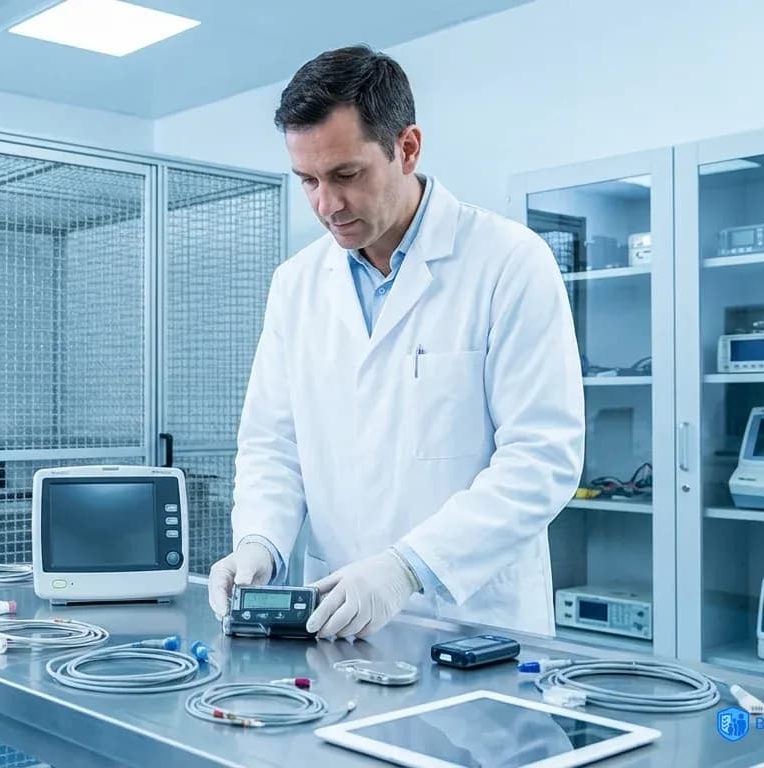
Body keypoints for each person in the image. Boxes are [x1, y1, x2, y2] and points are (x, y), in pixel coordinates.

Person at [207, 45, 585, 639]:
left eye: (346, 175)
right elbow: (273, 445)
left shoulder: (509, 262)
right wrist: (260, 542)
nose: (327, 206)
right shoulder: (296, 284)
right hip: (335, 616)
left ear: (407, 148)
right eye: (307, 181)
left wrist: (405, 567)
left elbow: (541, 458)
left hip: (472, 619)